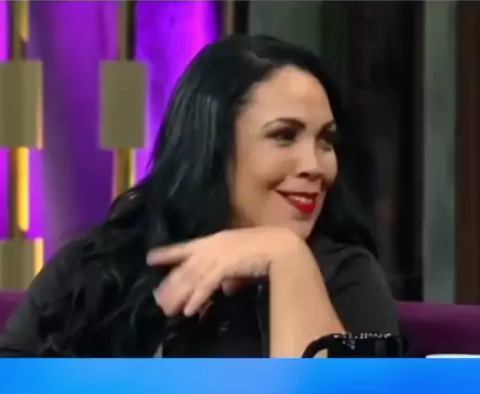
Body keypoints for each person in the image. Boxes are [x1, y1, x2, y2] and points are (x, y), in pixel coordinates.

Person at [0, 35, 399, 358]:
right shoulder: (100, 263)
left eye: (326, 141)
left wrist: (287, 259)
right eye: (284, 136)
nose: (315, 165)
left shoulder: (346, 276)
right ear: (211, 146)